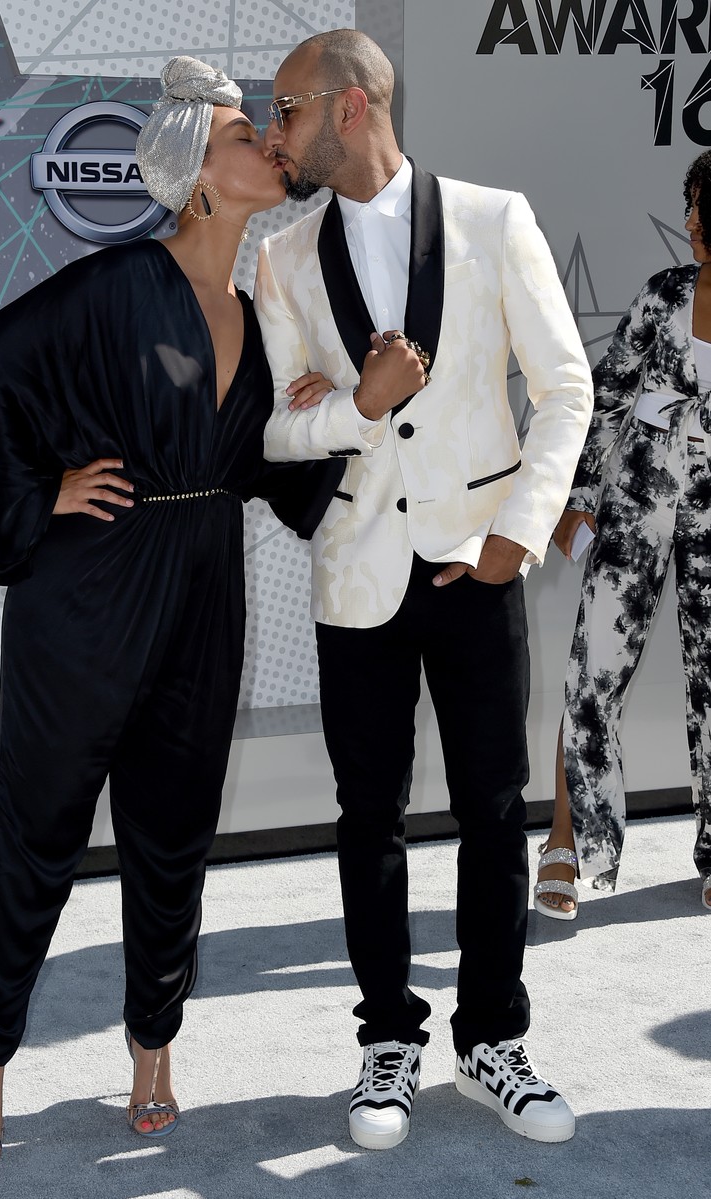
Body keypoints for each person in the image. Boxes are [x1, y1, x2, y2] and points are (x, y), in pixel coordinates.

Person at [0, 56, 328, 1168]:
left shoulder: (255, 312)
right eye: (245, 134)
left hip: (204, 584)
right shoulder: (116, 286)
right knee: (40, 830)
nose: (268, 143)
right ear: (200, 177)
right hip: (91, 589)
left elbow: (264, 465)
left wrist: (324, 411)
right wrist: (39, 493)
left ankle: (153, 1048)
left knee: (174, 834)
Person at [254, 29, 593, 1150]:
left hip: (477, 562)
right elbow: (276, 428)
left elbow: (565, 384)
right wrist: (358, 401)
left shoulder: (496, 219)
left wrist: (519, 533)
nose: (275, 130)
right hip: (358, 573)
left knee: (495, 811)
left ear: (351, 106)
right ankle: (386, 1038)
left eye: (290, 108)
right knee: (369, 817)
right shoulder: (283, 253)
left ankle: (493, 1035)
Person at [535, 152, 711, 921]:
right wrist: (579, 497)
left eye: (705, 210)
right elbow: (606, 399)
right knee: (591, 669)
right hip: (639, 502)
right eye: (691, 207)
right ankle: (569, 841)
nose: (691, 225)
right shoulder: (661, 296)